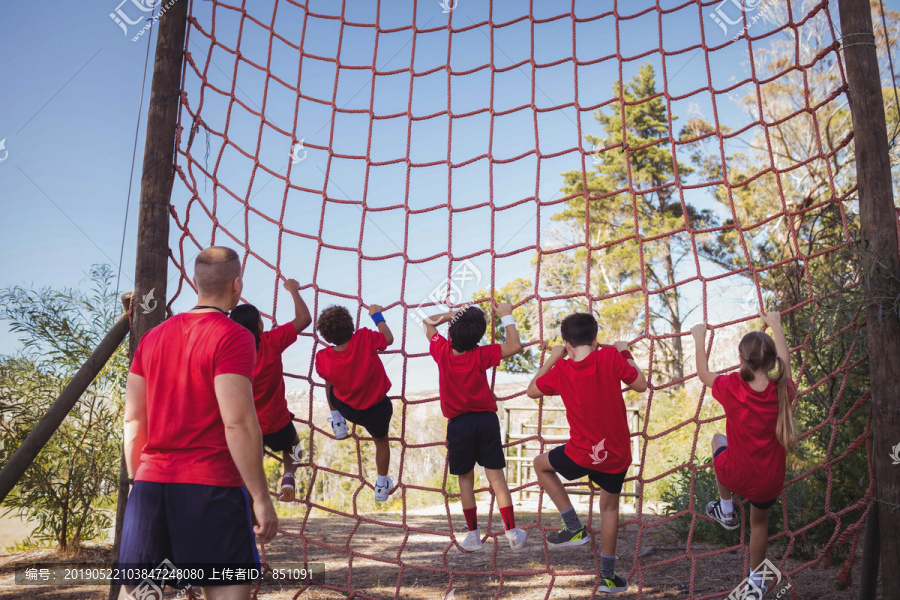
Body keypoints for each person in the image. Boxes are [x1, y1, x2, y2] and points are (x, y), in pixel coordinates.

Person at [118, 246, 278, 600]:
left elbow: (133, 420)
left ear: (194, 282)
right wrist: (261, 496)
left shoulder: (150, 338)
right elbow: (237, 422)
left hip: (150, 487)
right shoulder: (234, 335)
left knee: (145, 595)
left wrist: (136, 482)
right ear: (237, 285)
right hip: (211, 487)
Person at [527, 312, 648, 594]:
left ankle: (573, 527)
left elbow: (532, 390)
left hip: (581, 454)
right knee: (609, 508)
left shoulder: (561, 370)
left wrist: (554, 357)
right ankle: (607, 577)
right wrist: (624, 351)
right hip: (615, 454)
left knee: (540, 464)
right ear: (595, 340)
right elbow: (641, 384)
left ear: (567, 344)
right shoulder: (610, 357)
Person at [691, 312, 799, 599]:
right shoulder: (784, 391)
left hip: (736, 475)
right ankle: (756, 581)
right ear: (773, 361)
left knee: (717, 440)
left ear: (742, 359)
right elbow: (786, 368)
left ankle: (727, 510)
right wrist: (776, 325)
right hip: (768, 481)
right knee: (759, 524)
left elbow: (703, 375)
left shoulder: (732, 387)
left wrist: (700, 338)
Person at [424, 302, 527, 552]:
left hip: (458, 425)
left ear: (451, 332)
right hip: (485, 421)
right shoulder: (481, 354)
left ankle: (472, 535)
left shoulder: (442, 350)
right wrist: (506, 315)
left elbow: (427, 323)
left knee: (465, 481)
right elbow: (515, 346)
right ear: (479, 336)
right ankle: (511, 532)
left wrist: (453, 314)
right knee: (497, 480)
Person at [229, 277, 312, 502]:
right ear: (259, 326)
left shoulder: (229, 352)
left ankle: (252, 506)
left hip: (245, 426)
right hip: (276, 422)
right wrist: (293, 290)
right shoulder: (270, 341)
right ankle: (288, 476)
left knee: (248, 467)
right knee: (294, 446)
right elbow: (304, 319)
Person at [314, 303, 396, 501]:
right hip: (377, 408)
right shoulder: (365, 337)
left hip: (349, 409)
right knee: (381, 442)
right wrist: (377, 315)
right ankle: (382, 484)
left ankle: (338, 422)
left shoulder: (322, 357)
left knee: (329, 383)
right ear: (352, 326)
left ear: (325, 337)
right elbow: (389, 338)